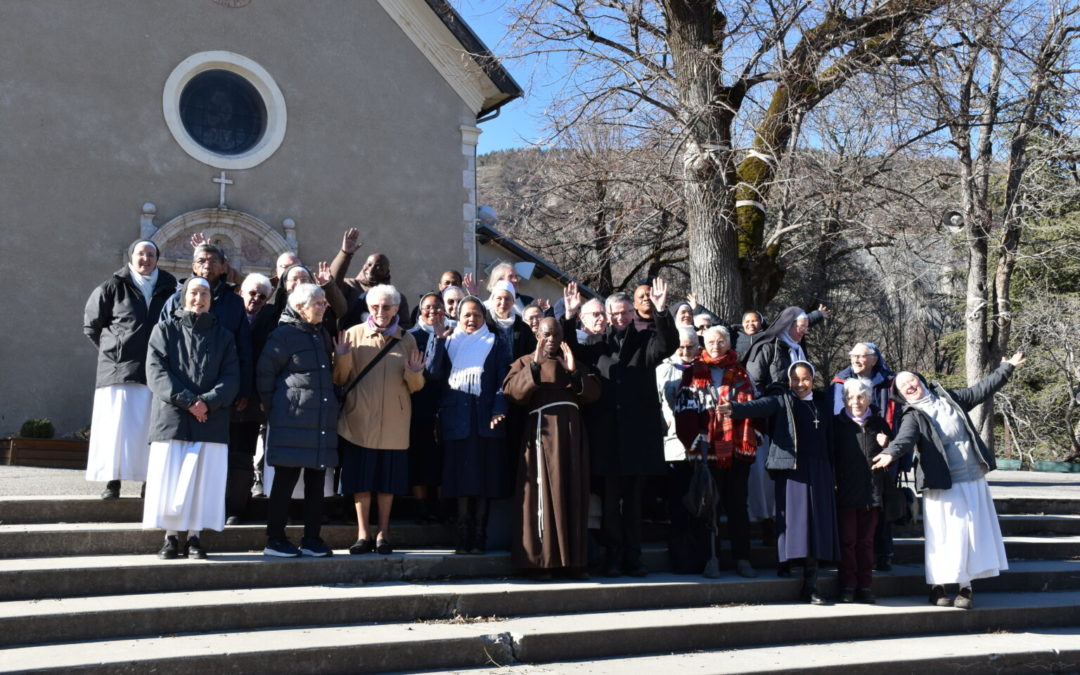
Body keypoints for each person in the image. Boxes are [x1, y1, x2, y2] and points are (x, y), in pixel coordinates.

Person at [872, 353, 1024, 609]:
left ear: (920, 380)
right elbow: (905, 438)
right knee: (944, 537)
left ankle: (966, 588)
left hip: (972, 478)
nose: (910, 385)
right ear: (900, 394)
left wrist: (1006, 368)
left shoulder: (950, 398)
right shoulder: (912, 414)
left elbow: (981, 390)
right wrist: (890, 452)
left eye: (912, 380)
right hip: (942, 484)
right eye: (903, 385)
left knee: (970, 535)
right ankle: (938, 587)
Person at [563, 280, 677, 577]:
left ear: (633, 314)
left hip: (638, 438)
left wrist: (662, 311)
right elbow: (567, 350)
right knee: (611, 505)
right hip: (609, 439)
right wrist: (570, 315)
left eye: (626, 312)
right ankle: (613, 558)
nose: (620, 318)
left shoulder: (645, 342)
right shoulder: (596, 345)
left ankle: (634, 558)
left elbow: (668, 345)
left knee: (635, 505)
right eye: (614, 313)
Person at [719, 361, 840, 604]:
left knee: (816, 522)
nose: (800, 384)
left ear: (813, 379)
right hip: (792, 468)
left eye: (805, 379)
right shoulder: (783, 398)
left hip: (820, 469)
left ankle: (811, 580)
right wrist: (735, 409)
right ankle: (787, 560)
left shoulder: (822, 402)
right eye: (795, 379)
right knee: (794, 520)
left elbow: (832, 437)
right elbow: (760, 406)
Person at [143, 277, 239, 559]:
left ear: (211, 299)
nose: (199, 298)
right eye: (194, 293)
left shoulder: (224, 336)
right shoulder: (164, 330)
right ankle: (170, 537)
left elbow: (232, 376)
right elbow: (156, 372)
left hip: (211, 420)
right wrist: (189, 402)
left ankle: (195, 536)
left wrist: (207, 403)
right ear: (184, 297)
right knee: (170, 480)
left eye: (205, 293)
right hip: (172, 418)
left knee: (202, 481)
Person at [504, 317, 600, 578]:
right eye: (547, 335)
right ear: (538, 334)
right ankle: (541, 562)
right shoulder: (525, 361)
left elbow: (593, 394)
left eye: (557, 335)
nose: (552, 340)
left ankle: (575, 562)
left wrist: (573, 372)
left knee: (573, 494)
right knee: (543, 495)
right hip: (541, 436)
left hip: (572, 436)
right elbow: (513, 393)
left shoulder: (571, 360)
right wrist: (534, 366)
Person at [334, 284, 424, 555]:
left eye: (387, 307)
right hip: (358, 421)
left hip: (394, 425)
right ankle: (362, 535)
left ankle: (383, 534)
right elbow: (340, 379)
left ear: (396, 308)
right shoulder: (353, 335)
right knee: (360, 482)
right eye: (375, 306)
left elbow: (416, 386)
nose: (381, 311)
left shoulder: (407, 339)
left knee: (388, 483)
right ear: (368, 308)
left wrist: (415, 373)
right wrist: (341, 358)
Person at [83, 239, 178, 500]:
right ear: (131, 256)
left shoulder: (171, 288)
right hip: (119, 371)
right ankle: (113, 482)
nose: (145, 259)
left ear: (157, 259)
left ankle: (150, 482)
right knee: (117, 430)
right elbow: (92, 326)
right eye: (140, 254)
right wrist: (115, 351)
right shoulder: (112, 287)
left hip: (157, 370)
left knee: (152, 429)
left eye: (150, 254)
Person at [257, 284, 339, 557]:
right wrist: (279, 410)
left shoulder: (321, 334)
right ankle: (275, 539)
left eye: (324, 302)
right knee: (285, 481)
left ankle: (312, 539)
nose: (324, 306)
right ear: (301, 307)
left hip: (319, 423)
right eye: (318, 302)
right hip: (291, 421)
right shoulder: (283, 335)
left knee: (316, 484)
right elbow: (265, 377)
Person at [673, 325, 759, 578]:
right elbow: (684, 409)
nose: (715, 346)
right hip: (706, 451)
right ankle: (711, 559)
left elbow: (754, 405)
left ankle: (743, 559)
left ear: (729, 344)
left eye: (720, 341)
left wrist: (752, 429)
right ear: (703, 344)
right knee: (708, 507)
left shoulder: (742, 372)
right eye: (710, 342)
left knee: (737, 507)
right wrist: (693, 437)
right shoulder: (693, 373)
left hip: (737, 452)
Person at [434, 297, 513, 554]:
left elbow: (504, 379)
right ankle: (462, 536)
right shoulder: (448, 341)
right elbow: (434, 373)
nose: (471, 319)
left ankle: (480, 536)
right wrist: (437, 341)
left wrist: (499, 409)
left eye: (477, 315)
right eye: (466, 315)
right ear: (458, 316)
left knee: (484, 481)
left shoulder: (495, 342)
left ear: (484, 317)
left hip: (485, 422)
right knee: (460, 481)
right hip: (457, 421)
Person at [830, 341, 904, 571]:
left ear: (874, 359)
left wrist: (895, 449)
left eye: (862, 356)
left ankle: (884, 554)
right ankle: (850, 570)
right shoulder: (840, 382)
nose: (856, 360)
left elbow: (900, 419)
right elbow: (836, 416)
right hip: (849, 458)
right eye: (853, 356)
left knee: (880, 505)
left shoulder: (890, 382)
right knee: (851, 523)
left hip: (883, 453)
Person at [833, 378, 892, 603]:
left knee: (867, 543)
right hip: (846, 491)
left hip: (872, 493)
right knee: (848, 541)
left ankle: (865, 586)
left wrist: (888, 443)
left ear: (868, 398)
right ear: (844, 399)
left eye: (860, 396)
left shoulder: (878, 423)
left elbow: (895, 452)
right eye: (850, 397)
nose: (855, 401)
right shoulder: (837, 424)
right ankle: (848, 586)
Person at [229, 273, 276, 516]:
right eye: (252, 293)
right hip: (225, 399)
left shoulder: (271, 320)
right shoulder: (228, 316)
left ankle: (239, 505)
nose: (256, 299)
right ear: (241, 293)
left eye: (262, 296)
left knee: (244, 456)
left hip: (252, 402)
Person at [407, 292, 452, 523]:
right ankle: (421, 507)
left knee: (443, 460)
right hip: (419, 405)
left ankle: (443, 507)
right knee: (420, 459)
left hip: (446, 404)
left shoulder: (455, 333)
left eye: (438, 307)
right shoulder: (410, 337)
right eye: (428, 308)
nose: (433, 312)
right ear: (420, 310)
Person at [331, 227, 412, 330]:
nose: (372, 269)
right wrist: (345, 254)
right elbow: (331, 286)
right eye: (369, 264)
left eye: (379, 267)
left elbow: (404, 327)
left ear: (386, 273)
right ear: (363, 266)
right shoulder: (350, 286)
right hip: (351, 342)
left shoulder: (396, 297)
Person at [744, 307, 810, 393]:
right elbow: (753, 382)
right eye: (802, 327)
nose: (804, 332)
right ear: (788, 326)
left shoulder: (799, 350)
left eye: (806, 328)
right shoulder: (767, 348)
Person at [487, 280, 535, 358]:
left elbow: (530, 353)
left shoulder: (522, 327)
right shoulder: (483, 322)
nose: (503, 302)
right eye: (499, 298)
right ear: (492, 300)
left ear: (513, 302)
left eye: (507, 299)